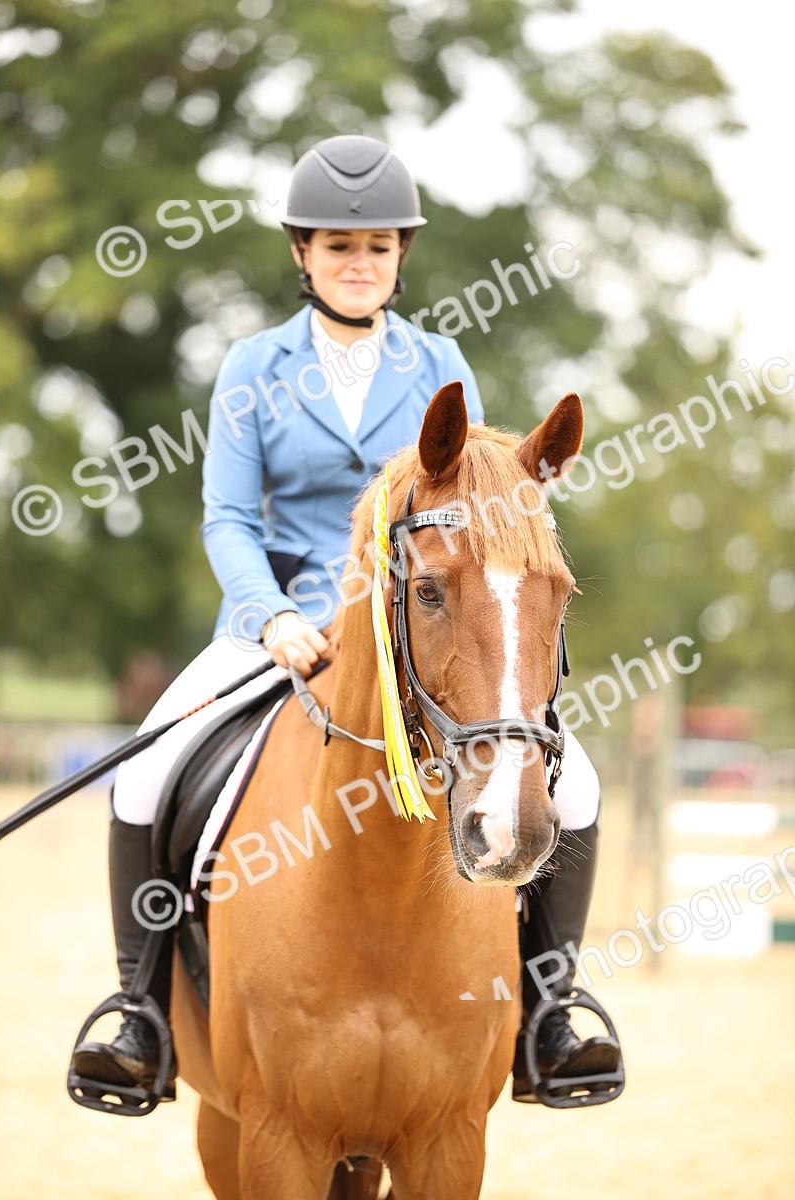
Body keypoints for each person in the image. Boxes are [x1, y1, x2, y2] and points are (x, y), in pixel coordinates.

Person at [73, 135, 620, 1104]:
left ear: (400, 255)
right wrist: (274, 615)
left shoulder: (439, 360)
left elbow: (476, 507)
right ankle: (140, 1012)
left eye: (375, 246)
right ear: (302, 255)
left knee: (570, 783)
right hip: (273, 629)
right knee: (148, 766)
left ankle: (547, 1011)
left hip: (412, 632)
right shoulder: (252, 365)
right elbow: (229, 519)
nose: (357, 263)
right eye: (337, 247)